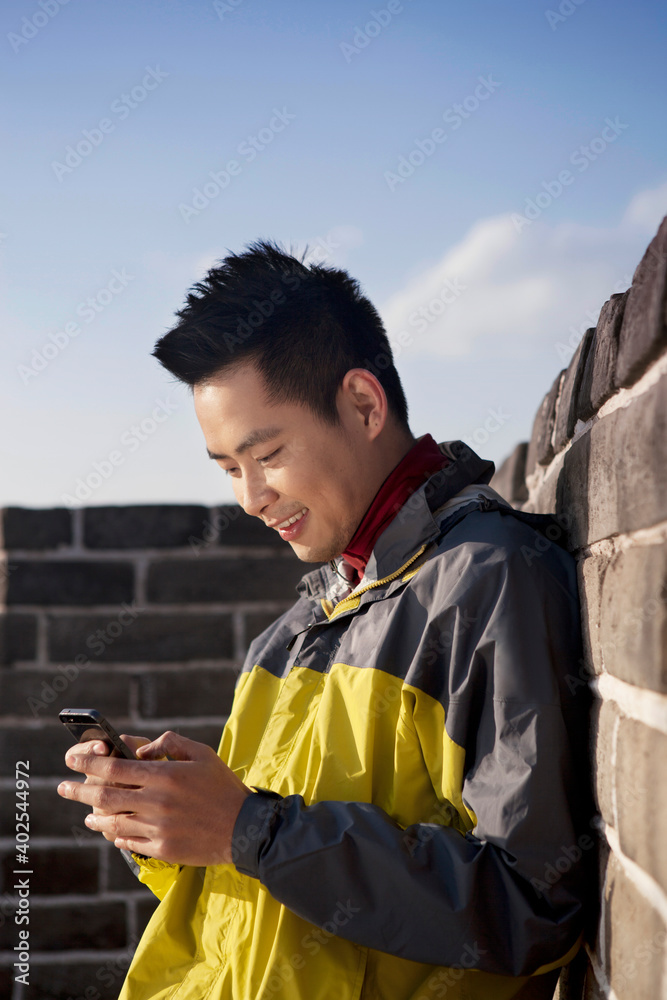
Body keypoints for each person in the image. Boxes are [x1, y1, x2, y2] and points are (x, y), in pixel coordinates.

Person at [58, 241, 591, 999]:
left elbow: (531, 907)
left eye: (266, 454)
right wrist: (172, 824)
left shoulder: (485, 582)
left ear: (364, 404)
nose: (249, 498)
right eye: (226, 469)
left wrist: (250, 830)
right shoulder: (290, 636)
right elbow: (260, 890)